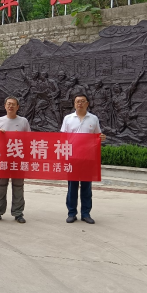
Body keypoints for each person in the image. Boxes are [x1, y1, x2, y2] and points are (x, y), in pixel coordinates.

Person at [61, 94, 107, 225]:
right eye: (77, 101)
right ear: (74, 104)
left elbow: (98, 135)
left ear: (87, 103)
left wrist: (102, 137)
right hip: (72, 158)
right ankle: (71, 213)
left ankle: (86, 214)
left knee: (86, 187)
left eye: (82, 101)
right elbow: (63, 138)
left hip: (88, 158)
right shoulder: (68, 118)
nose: (80, 103)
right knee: (72, 187)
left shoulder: (93, 118)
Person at [0, 96, 31, 224]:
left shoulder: (23, 121)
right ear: (5, 106)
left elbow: (29, 138)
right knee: (1, 186)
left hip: (18, 158)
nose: (10, 106)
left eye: (13, 104)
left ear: (18, 107)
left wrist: (21, 136)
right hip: (3, 158)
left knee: (18, 186)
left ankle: (18, 213)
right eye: (8, 104)